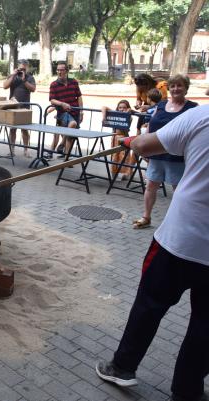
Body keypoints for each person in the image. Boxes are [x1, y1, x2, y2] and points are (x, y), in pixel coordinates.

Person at [95, 103, 209, 401]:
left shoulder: (202, 115)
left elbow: (146, 146)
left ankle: (121, 367)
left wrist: (130, 141)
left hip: (180, 240)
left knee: (149, 306)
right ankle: (187, 391)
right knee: (206, 327)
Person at [132, 74, 197, 229]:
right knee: (150, 186)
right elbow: (150, 127)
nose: (175, 89)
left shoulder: (192, 108)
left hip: (177, 156)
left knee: (179, 190)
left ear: (186, 88)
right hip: (156, 155)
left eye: (179, 85)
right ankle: (146, 217)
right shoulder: (160, 106)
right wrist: (145, 148)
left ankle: (179, 221)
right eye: (173, 86)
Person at [48, 61, 83, 160]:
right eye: (58, 70)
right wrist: (61, 104)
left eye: (61, 70)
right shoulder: (54, 84)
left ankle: (66, 157)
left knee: (70, 136)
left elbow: (79, 97)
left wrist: (81, 112)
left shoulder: (74, 82)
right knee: (71, 125)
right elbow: (52, 99)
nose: (59, 72)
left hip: (75, 111)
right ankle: (57, 148)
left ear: (66, 71)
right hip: (62, 113)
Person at [2, 59, 36, 157]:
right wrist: (13, 75)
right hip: (13, 106)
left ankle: (26, 150)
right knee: (12, 129)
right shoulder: (13, 76)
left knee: (24, 130)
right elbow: (5, 86)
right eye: (21, 69)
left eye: (24, 69)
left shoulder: (30, 77)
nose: (22, 71)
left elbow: (33, 89)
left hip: (25, 107)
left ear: (27, 68)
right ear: (17, 68)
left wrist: (24, 80)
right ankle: (12, 150)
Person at [101, 99, 135, 180]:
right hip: (114, 138)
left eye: (124, 107)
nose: (121, 109)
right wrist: (104, 117)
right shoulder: (115, 114)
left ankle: (126, 173)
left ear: (127, 108)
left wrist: (128, 112)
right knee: (114, 157)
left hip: (124, 138)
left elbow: (127, 121)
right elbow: (103, 107)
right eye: (120, 107)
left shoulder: (129, 117)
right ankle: (114, 173)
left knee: (124, 157)